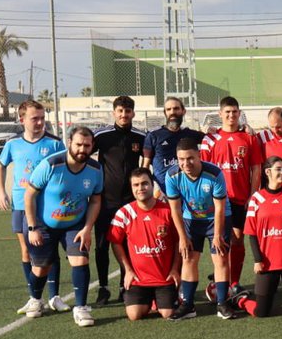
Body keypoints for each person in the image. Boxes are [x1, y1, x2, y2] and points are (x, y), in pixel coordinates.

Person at [21, 126, 103, 327]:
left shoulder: (95, 169)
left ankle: (81, 307)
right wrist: (32, 227)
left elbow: (95, 200)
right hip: (43, 224)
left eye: (87, 145)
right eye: (78, 144)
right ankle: (35, 298)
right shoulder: (51, 164)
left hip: (74, 224)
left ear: (92, 146)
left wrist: (87, 228)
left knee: (80, 260)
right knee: (41, 269)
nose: (82, 149)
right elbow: (29, 195)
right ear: (69, 143)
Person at [0, 99, 66, 314]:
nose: (39, 122)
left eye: (42, 118)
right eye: (34, 118)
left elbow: (65, 169)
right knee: (26, 251)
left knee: (50, 251)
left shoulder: (54, 144)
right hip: (20, 204)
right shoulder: (12, 144)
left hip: (47, 205)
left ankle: (54, 296)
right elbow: (1, 165)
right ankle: (34, 298)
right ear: (22, 120)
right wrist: (1, 191)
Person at [199, 96, 263, 294]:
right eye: (227, 112)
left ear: (239, 113)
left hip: (240, 198)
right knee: (220, 240)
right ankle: (221, 280)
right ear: (220, 114)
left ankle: (233, 282)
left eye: (234, 112)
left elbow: (256, 169)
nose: (231, 116)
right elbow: (203, 170)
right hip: (217, 200)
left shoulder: (249, 138)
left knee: (237, 239)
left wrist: (252, 195)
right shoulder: (210, 140)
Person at [165, 139, 234, 321]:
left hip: (216, 219)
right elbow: (175, 209)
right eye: (181, 159)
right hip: (191, 220)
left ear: (199, 156)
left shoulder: (214, 173)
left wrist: (218, 235)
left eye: (190, 158)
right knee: (188, 258)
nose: (186, 163)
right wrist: (182, 237)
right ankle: (187, 305)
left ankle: (222, 303)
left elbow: (220, 208)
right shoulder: (172, 176)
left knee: (220, 258)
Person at [92, 95, 146, 305]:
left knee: (128, 244)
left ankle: (126, 285)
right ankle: (103, 288)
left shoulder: (140, 136)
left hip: (130, 202)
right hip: (105, 202)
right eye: (120, 111)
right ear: (114, 113)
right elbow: (81, 151)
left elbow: (153, 155)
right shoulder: (102, 136)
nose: (124, 115)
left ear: (133, 113)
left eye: (128, 111)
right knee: (102, 246)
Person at [239, 156, 282, 318]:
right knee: (261, 312)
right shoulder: (257, 198)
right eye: (279, 169)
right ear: (267, 172)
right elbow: (251, 233)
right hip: (267, 264)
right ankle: (241, 300)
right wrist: (257, 260)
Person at [108, 169, 180, 320]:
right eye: (136, 185)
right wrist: (127, 270)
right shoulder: (124, 213)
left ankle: (163, 300)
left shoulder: (168, 211)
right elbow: (115, 242)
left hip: (164, 278)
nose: (140, 188)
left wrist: (174, 270)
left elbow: (179, 241)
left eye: (144, 183)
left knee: (168, 314)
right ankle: (150, 301)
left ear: (152, 185)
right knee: (134, 315)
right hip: (139, 280)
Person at [142, 96, 203, 191]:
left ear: (183, 111)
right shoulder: (153, 135)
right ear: (165, 113)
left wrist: (210, 130)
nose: (172, 112)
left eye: (176, 108)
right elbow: (145, 167)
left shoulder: (191, 134)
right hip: (162, 192)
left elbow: (213, 139)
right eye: (168, 109)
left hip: (187, 191)